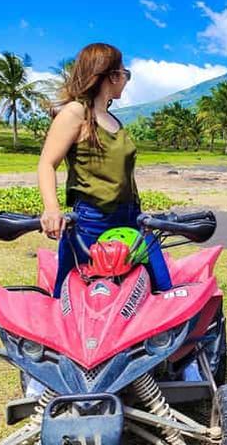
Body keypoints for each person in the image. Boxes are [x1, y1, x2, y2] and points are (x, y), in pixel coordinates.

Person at [37, 43, 172, 298]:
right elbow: (46, 163)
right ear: (111, 75)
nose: (126, 80)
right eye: (125, 74)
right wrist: (52, 209)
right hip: (91, 223)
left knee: (162, 289)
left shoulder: (112, 118)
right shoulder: (76, 113)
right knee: (70, 300)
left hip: (132, 220)